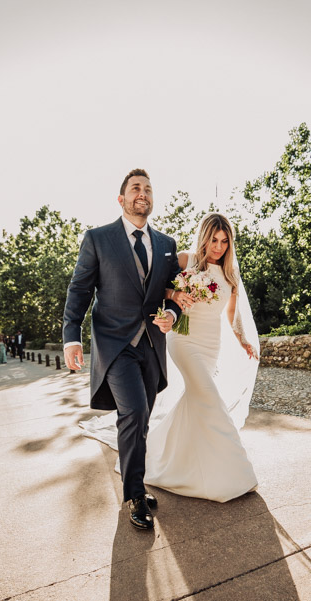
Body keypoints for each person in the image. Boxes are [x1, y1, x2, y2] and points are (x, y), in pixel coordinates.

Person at [80, 212, 260, 503]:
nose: (218, 246)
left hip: (210, 345)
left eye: (224, 241)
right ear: (204, 237)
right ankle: (236, 473)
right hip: (184, 341)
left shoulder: (229, 274)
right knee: (210, 398)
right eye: (214, 239)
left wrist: (241, 339)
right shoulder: (185, 260)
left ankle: (162, 455)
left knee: (197, 401)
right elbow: (155, 286)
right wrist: (175, 296)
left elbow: (230, 312)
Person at [63, 168, 182, 531]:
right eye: (135, 188)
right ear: (122, 198)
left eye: (147, 189)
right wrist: (71, 336)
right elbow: (80, 290)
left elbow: (174, 292)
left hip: (151, 345)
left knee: (142, 419)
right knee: (133, 412)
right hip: (114, 346)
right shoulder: (98, 239)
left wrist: (173, 315)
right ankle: (133, 494)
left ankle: (136, 482)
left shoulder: (166, 244)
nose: (142, 193)